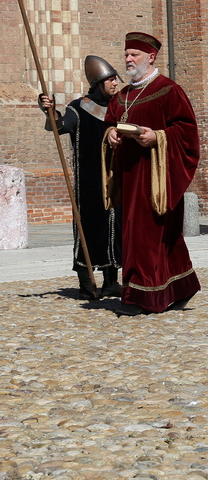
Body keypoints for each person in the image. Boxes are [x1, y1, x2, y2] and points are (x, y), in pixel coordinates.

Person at [102, 32, 200, 315]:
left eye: (134, 55)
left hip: (159, 177)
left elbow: (187, 132)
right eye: (126, 55)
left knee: (148, 236)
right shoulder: (122, 96)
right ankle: (182, 286)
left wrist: (157, 137)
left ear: (151, 57)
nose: (128, 60)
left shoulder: (169, 90)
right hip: (130, 177)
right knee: (149, 237)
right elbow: (111, 121)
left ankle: (139, 298)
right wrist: (110, 134)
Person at [38, 55, 123, 301]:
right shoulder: (79, 107)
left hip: (115, 179)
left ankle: (111, 282)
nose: (115, 84)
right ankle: (86, 283)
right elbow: (59, 126)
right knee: (90, 229)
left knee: (115, 228)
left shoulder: (118, 107)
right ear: (98, 83)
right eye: (110, 81)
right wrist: (50, 111)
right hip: (90, 182)